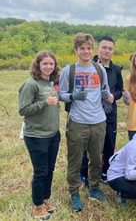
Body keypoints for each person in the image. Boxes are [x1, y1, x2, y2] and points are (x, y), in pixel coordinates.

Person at [58, 33, 113, 212]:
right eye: (82, 48)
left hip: (99, 121)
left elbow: (106, 91)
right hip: (77, 122)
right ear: (76, 50)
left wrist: (108, 97)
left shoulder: (100, 70)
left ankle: (94, 188)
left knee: (96, 159)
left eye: (89, 48)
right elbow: (61, 94)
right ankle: (74, 193)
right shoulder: (69, 70)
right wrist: (73, 96)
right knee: (75, 160)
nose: (86, 51)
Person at [18, 51, 61, 220]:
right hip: (36, 136)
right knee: (41, 171)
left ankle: (45, 199)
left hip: (53, 134)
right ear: (38, 65)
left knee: (50, 169)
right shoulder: (31, 84)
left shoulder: (50, 82)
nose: (49, 66)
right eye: (45, 64)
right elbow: (23, 110)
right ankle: (37, 205)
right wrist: (44, 103)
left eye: (51, 63)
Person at [80, 36, 123, 184]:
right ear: (98, 49)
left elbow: (120, 90)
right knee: (89, 145)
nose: (107, 51)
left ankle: (106, 172)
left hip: (110, 113)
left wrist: (114, 96)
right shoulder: (88, 66)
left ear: (113, 51)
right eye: (104, 47)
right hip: (91, 112)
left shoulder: (116, 69)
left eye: (110, 48)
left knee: (109, 144)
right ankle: (84, 174)